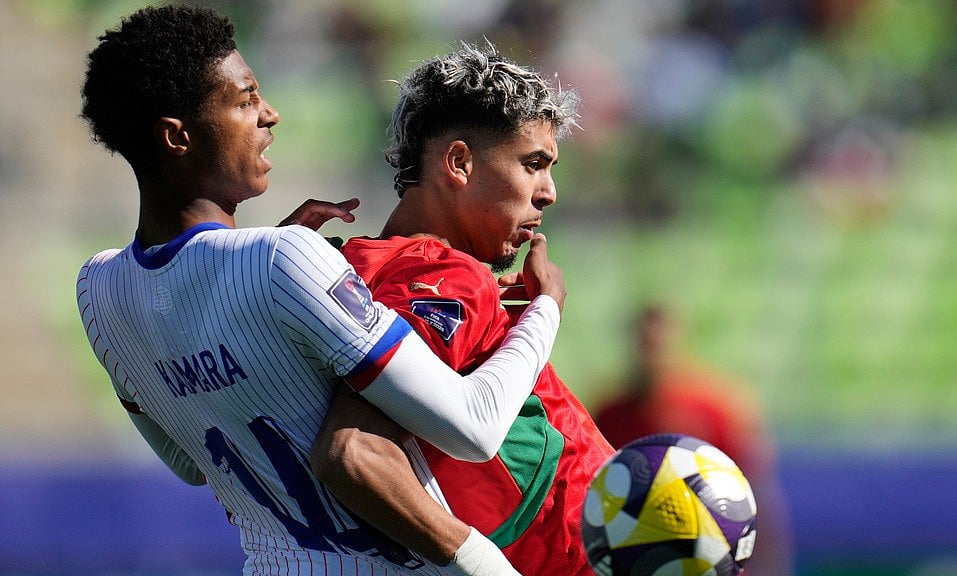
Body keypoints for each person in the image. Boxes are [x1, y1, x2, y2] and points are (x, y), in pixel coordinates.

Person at [76, 6, 568, 575]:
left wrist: (266, 292)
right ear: (177, 138)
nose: (270, 115)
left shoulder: (99, 289)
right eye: (245, 99)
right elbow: (473, 427)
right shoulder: (285, 259)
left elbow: (189, 461)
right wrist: (545, 309)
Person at [311, 43, 615, 576]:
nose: (549, 193)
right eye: (533, 164)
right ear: (459, 162)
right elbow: (355, 454)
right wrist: (545, 309)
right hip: (584, 554)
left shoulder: (351, 265)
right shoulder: (443, 276)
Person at [592, 304, 795, 576]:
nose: (653, 353)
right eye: (646, 342)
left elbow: (756, 489)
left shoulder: (715, 407)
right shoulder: (611, 413)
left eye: (660, 342)